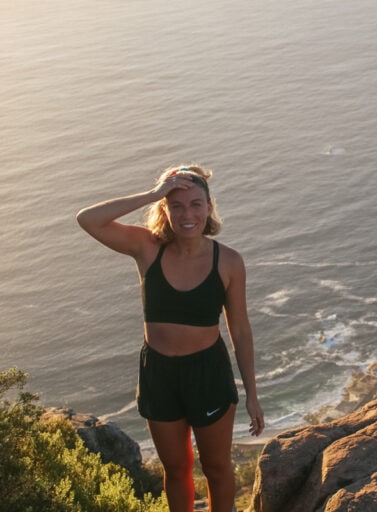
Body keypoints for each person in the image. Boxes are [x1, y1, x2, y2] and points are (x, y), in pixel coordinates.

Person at [76, 164, 265, 512]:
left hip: (207, 373)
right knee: (176, 470)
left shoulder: (229, 262)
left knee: (217, 469)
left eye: (196, 204)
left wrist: (252, 395)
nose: (187, 214)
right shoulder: (148, 248)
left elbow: (240, 330)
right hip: (159, 374)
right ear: (164, 209)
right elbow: (88, 219)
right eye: (175, 205)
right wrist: (152, 193)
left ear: (209, 207)